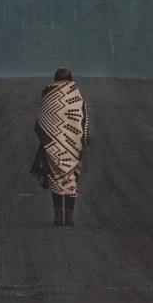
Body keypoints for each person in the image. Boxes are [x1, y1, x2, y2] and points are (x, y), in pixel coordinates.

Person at [30, 67, 91, 226]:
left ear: (55, 79)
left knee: (55, 178)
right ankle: (69, 216)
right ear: (71, 79)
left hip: (53, 144)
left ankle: (58, 214)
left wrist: (48, 140)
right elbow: (83, 115)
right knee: (71, 178)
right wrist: (84, 138)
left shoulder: (48, 93)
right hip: (73, 144)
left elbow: (41, 118)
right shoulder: (76, 95)